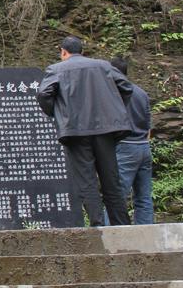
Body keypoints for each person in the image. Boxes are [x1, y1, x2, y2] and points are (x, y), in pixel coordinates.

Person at [36, 36, 134, 226]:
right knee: (110, 179)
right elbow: (126, 87)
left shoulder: (56, 69)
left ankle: (97, 224)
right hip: (106, 129)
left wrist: (58, 114)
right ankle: (122, 225)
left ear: (63, 52)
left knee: (86, 179)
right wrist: (113, 110)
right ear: (82, 51)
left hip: (76, 132)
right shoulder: (103, 66)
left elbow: (43, 94)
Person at [110, 57, 154, 224]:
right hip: (144, 147)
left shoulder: (116, 92)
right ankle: (147, 234)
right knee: (144, 197)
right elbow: (148, 125)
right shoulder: (141, 92)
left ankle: (111, 235)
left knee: (116, 196)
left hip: (125, 147)